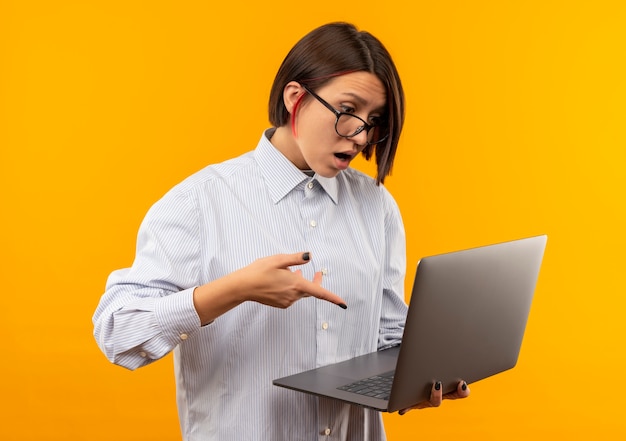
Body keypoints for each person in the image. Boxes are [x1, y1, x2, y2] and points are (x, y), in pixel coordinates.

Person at [93, 22, 469, 441]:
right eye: (349, 111)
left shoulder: (376, 205)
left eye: (375, 120)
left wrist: (416, 382)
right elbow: (116, 331)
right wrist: (235, 289)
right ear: (296, 98)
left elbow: (385, 335)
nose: (362, 135)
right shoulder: (200, 201)